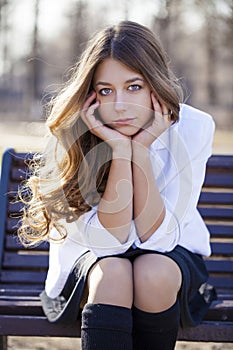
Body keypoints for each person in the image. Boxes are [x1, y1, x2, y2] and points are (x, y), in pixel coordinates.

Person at [18, 21, 216, 349]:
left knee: (153, 271)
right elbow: (109, 245)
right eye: (106, 90)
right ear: (91, 93)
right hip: (92, 262)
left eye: (134, 86)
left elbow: (160, 240)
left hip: (171, 260)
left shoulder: (194, 128)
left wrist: (142, 149)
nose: (120, 105)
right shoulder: (74, 129)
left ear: (155, 83)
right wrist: (122, 151)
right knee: (115, 273)